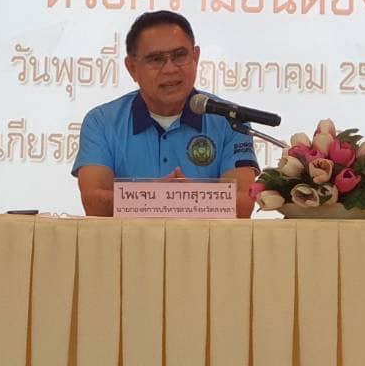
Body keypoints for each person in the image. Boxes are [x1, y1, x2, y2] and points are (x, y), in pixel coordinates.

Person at [73, 11, 258, 217]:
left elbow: (243, 205)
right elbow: (94, 203)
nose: (170, 69)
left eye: (179, 55)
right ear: (132, 68)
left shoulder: (230, 121)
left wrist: (174, 199)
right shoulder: (101, 122)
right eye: (156, 59)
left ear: (195, 57)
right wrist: (161, 197)